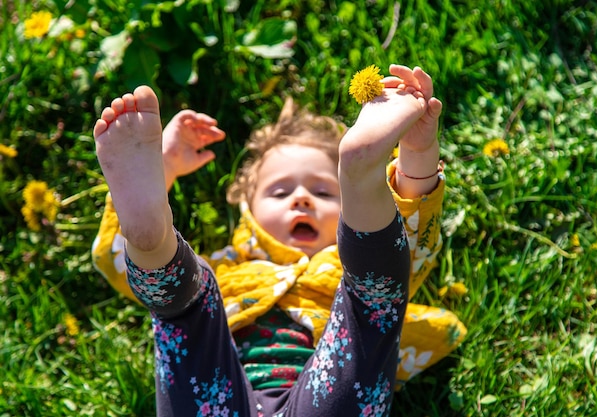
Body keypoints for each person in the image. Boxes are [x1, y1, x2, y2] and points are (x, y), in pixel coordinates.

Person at [91, 64, 466, 416]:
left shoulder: (339, 264)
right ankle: (150, 233)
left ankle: (364, 177)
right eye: (280, 191)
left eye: (323, 191)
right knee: (186, 296)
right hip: (227, 391)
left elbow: (411, 245)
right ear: (246, 204)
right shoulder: (232, 264)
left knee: (373, 290)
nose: (301, 199)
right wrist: (168, 163)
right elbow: (116, 262)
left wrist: (415, 156)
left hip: (242, 402)